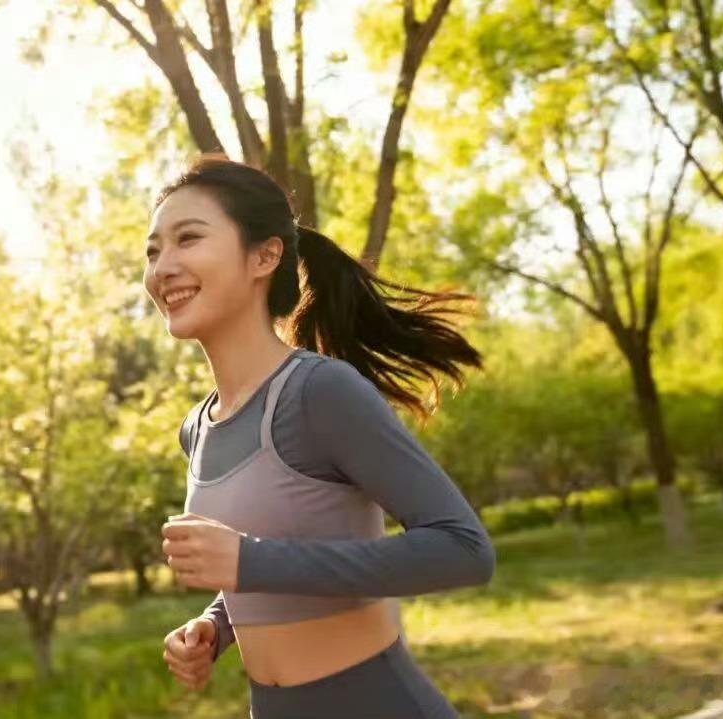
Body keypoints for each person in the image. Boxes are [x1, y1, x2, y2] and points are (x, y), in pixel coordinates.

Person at [146, 153, 494, 718]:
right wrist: (217, 624)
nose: (163, 266)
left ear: (264, 255)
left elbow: (465, 550)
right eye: (154, 250)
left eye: (188, 239)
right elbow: (276, 553)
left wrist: (249, 564)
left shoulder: (320, 392)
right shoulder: (198, 428)